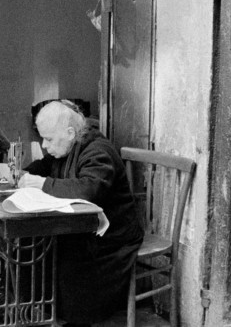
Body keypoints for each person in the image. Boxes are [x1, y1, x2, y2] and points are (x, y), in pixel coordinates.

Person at [18, 100, 143, 326]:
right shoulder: (68, 145)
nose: (44, 145)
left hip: (111, 236)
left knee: (69, 254)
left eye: (48, 139)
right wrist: (20, 174)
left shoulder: (98, 150)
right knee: (30, 240)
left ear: (69, 132)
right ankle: (34, 307)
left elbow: (88, 189)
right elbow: (45, 165)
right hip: (82, 227)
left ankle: (75, 320)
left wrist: (43, 184)